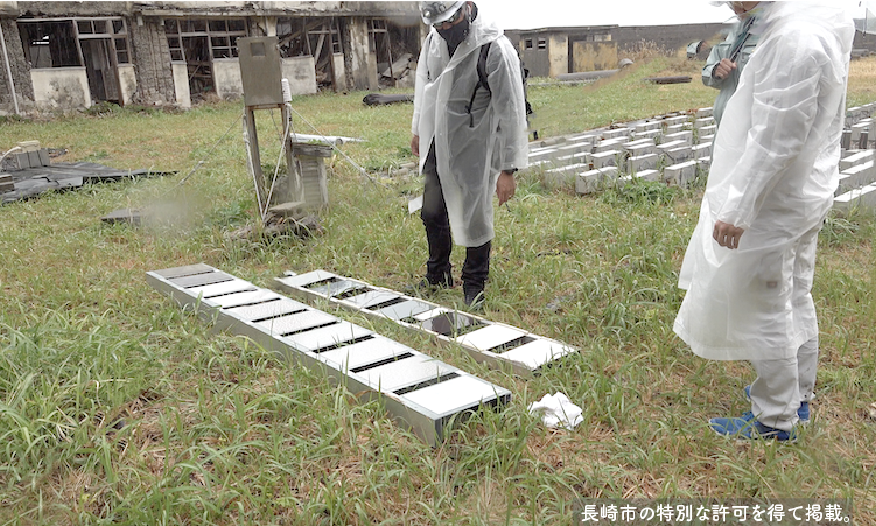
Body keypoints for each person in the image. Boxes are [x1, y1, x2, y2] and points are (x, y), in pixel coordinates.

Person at [673, 0, 854, 441]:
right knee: (794, 291)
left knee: (767, 300)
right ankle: (797, 395)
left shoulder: (794, 40)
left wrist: (739, 208)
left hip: (777, 199)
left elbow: (776, 137)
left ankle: (775, 417)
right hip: (800, 192)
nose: (731, 4)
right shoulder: (805, 22)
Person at [410, 0, 528, 309]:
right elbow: (425, 84)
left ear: (468, 6)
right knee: (432, 211)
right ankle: (438, 274)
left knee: (474, 215)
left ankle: (474, 283)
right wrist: (418, 129)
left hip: (474, 145)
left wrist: (508, 170)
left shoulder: (495, 49)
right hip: (439, 140)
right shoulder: (435, 41)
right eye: (439, 25)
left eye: (450, 22)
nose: (446, 30)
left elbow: (511, 111)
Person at [703, 0, 761, 127]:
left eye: (740, 4)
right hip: (723, 130)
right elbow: (706, 72)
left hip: (749, 134)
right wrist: (715, 71)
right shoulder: (734, 32)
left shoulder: (772, 35)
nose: (735, 10)